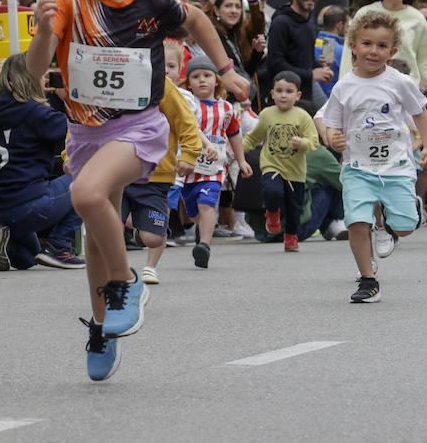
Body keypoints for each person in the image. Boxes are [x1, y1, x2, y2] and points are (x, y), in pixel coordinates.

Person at [24, 0, 250, 381]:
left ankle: (126, 283)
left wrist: (227, 72)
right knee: (92, 239)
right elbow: (33, 69)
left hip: (139, 127)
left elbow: (198, 21)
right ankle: (103, 329)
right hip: (86, 132)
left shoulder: (152, 2)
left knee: (84, 195)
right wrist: (44, 31)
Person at [320, 10, 427, 304]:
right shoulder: (344, 86)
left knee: (406, 227)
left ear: (393, 51)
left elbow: (420, 114)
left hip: (396, 167)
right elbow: (331, 122)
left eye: (382, 46)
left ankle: (398, 219)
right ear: (353, 47)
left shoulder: (399, 82)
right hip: (358, 167)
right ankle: (368, 280)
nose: (373, 51)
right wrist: (333, 136)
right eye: (367, 43)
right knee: (356, 222)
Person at [0, 54, 84, 271]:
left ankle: (1, 233)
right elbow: (79, 128)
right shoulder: (37, 113)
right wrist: (67, 98)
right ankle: (60, 246)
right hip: (27, 205)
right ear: (31, 78)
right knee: (85, 181)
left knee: (26, 260)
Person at [123, 51, 202, 287]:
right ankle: (115, 274)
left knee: (153, 237)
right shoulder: (111, 78)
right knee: (107, 227)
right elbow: (82, 119)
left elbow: (187, 123)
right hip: (118, 172)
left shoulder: (163, 86)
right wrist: (70, 156)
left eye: (171, 65)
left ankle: (150, 265)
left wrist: (190, 154)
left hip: (158, 173)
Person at [175, 56, 252, 266]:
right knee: (193, 213)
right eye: (196, 76)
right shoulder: (187, 105)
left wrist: (241, 160)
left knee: (206, 204)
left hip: (215, 168)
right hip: (189, 167)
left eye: (207, 75)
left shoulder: (226, 108)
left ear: (217, 80)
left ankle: (204, 246)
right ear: (188, 82)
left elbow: (235, 134)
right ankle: (203, 229)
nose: (202, 80)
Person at [243, 70, 319, 252]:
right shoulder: (267, 114)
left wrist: (302, 143)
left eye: (289, 91)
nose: (284, 95)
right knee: (272, 191)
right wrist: (236, 152)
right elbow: (254, 138)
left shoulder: (302, 116)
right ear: (272, 93)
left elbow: (313, 142)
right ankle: (272, 213)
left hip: (296, 171)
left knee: (295, 209)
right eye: (279, 90)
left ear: (298, 95)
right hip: (272, 165)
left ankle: (291, 236)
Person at [265, 0, 330, 105]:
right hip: (284, 99)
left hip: (306, 95)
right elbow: (275, 65)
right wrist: (311, 75)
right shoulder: (281, 22)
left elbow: (305, 60)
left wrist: (321, 69)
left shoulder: (310, 19)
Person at [315, 5, 348, 100]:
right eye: (347, 25)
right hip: (330, 102)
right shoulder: (329, 46)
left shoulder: (313, 43)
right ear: (340, 26)